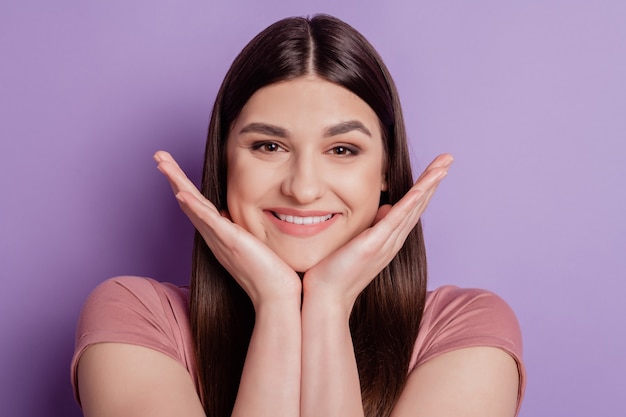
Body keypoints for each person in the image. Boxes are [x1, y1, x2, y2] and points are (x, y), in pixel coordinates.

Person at [71, 14, 525, 417]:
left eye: (342, 149)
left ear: (385, 170)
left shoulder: (467, 328)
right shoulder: (136, 316)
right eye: (269, 146)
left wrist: (328, 303)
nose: (303, 188)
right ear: (225, 162)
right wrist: (276, 305)